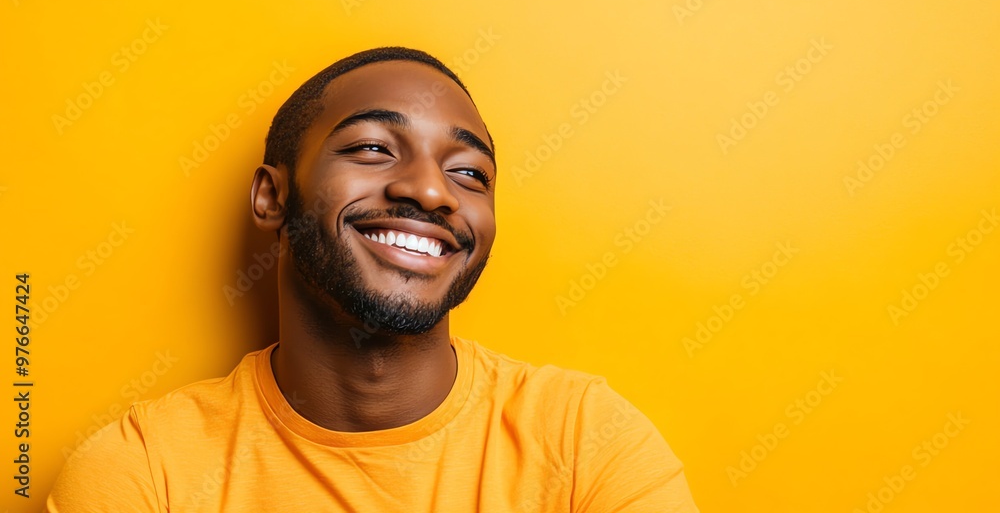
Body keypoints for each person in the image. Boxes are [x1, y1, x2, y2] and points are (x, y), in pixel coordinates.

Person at [46, 47, 699, 512]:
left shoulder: (585, 440)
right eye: (372, 149)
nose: (430, 189)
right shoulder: (144, 472)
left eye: (470, 173)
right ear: (272, 197)